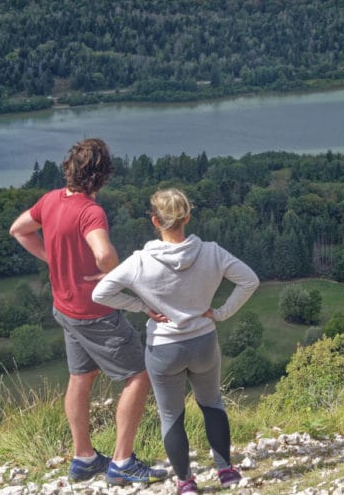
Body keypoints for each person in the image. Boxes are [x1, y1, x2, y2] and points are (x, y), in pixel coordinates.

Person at [8, 138, 168, 485]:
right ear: (102, 176)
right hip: (95, 313)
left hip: (65, 307)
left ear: (70, 168)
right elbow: (103, 253)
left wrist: (54, 258)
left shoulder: (50, 199)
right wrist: (114, 272)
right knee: (138, 376)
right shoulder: (89, 211)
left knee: (81, 378)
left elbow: (19, 230)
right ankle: (123, 463)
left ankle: (84, 458)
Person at [93, 188, 259, 495]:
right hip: (204, 343)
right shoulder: (211, 251)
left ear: (155, 220)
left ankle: (186, 483)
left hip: (164, 348)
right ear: (187, 217)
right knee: (212, 404)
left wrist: (143, 307)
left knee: (171, 415)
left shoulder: (140, 262)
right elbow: (250, 280)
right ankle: (226, 471)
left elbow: (100, 294)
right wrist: (221, 313)